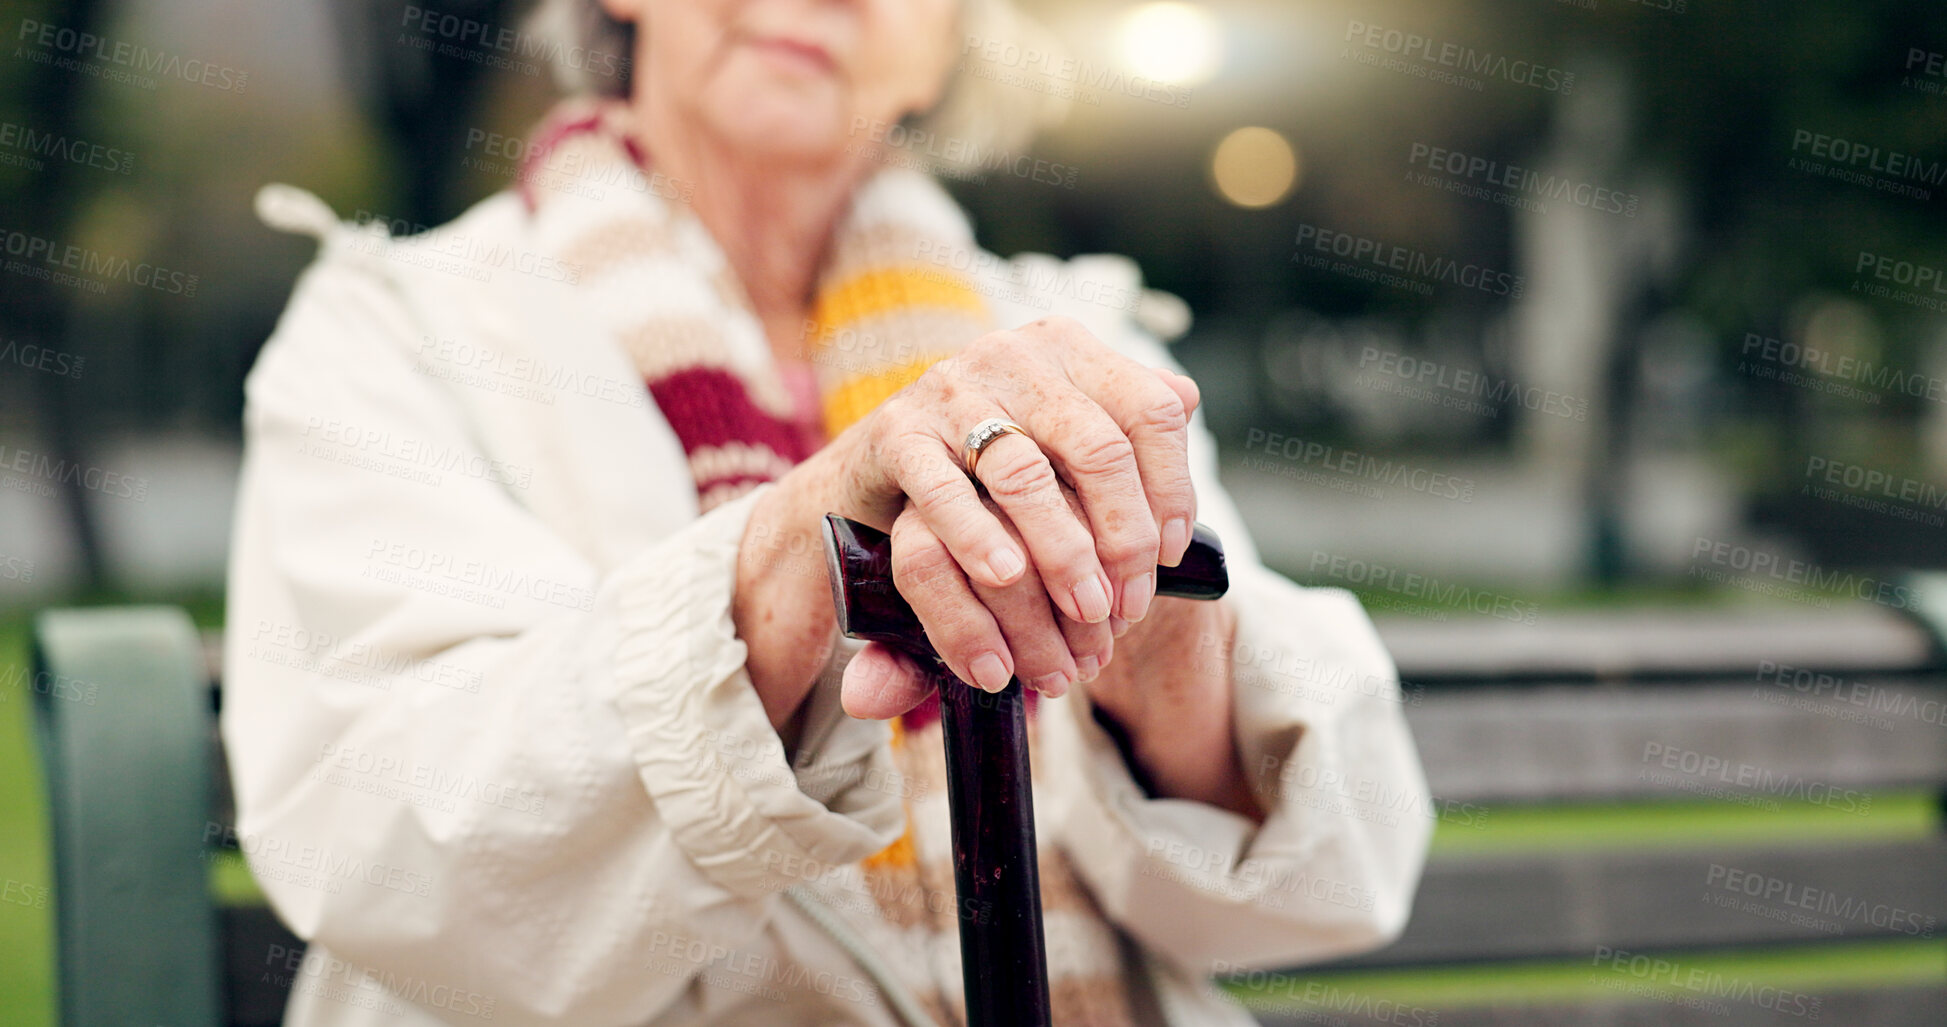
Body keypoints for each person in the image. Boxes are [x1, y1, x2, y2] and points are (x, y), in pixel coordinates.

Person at [223, 0, 1432, 1023]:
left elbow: (1325, 880)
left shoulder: (1079, 338)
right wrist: (794, 557)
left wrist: (1156, 639)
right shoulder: (396, 328)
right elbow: (388, 840)